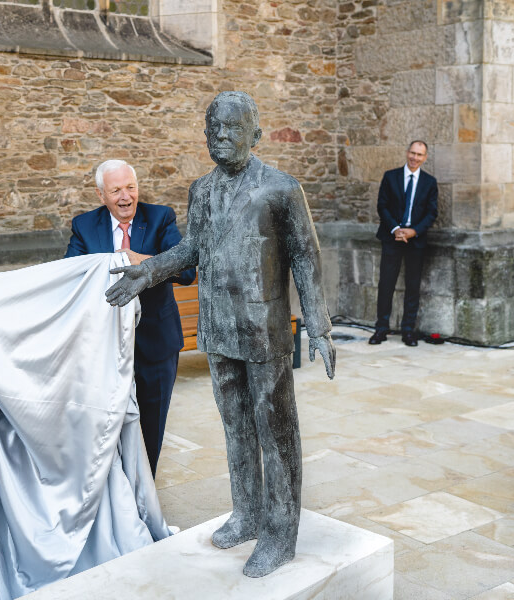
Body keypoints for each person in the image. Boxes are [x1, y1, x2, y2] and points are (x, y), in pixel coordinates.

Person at [105, 91, 335, 578]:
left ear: (255, 132)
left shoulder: (281, 189)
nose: (221, 137)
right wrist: (147, 273)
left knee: (276, 434)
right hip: (218, 327)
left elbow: (305, 258)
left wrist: (317, 324)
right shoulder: (202, 190)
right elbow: (192, 248)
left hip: (264, 330)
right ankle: (248, 513)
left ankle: (280, 533)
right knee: (235, 429)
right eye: (213, 130)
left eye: (231, 129)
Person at [64, 160, 195, 476]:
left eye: (130, 187)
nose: (125, 197)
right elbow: (68, 274)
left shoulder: (161, 218)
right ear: (101, 194)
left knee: (151, 424)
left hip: (156, 343)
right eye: (116, 190)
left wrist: (145, 262)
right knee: (105, 422)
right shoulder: (83, 225)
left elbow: (187, 270)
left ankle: (144, 489)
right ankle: (113, 490)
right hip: (102, 346)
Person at [368, 141, 438, 347]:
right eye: (413, 153)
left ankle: (408, 331)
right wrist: (396, 229)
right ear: (407, 153)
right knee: (386, 284)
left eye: (420, 155)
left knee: (413, 286)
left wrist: (413, 231)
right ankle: (381, 328)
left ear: (425, 158)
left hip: (415, 241)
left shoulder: (429, 182)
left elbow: (432, 212)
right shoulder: (391, 177)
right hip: (392, 238)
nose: (415, 158)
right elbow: (382, 206)